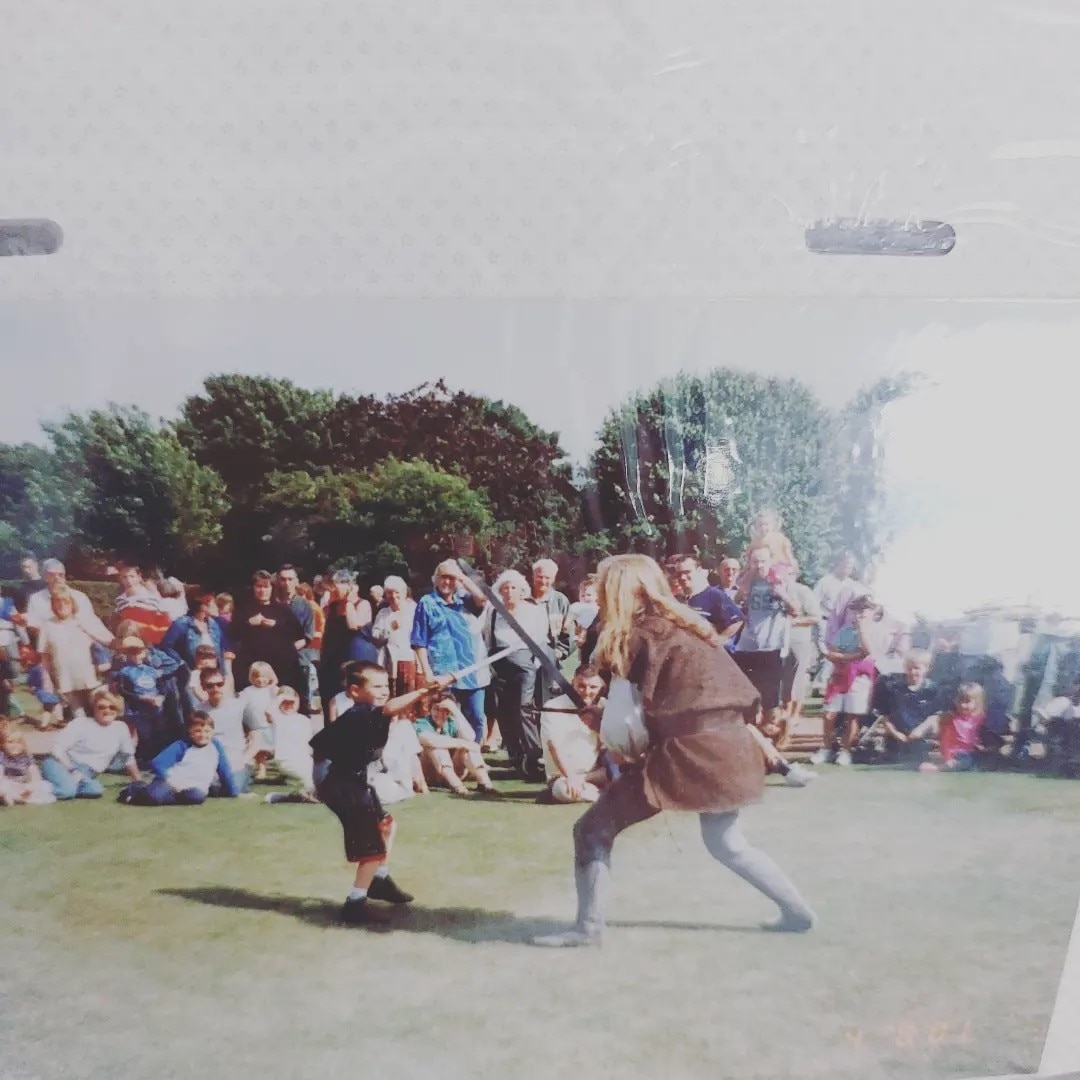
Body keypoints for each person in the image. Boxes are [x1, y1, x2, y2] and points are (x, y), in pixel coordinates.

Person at [534, 554, 815, 948]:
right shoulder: (691, 627)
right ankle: (797, 911)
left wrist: (601, 720)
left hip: (690, 752)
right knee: (727, 843)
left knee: (592, 830)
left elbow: (623, 731)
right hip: (731, 745)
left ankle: (588, 929)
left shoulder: (635, 635)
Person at [309, 662, 455, 926]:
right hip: (341, 783)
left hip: (350, 779)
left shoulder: (367, 713)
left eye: (386, 685)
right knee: (371, 847)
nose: (384, 691)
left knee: (386, 825)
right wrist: (426, 690)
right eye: (376, 686)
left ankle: (380, 879)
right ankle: (355, 903)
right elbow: (389, 709)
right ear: (354, 691)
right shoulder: (362, 712)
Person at [411, 559, 490, 742]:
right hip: (443, 671)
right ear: (436, 579)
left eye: (451, 578)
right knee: (445, 716)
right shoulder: (427, 603)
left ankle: (473, 756)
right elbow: (419, 640)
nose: (447, 582)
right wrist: (427, 672)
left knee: (476, 717)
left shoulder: (464, 600)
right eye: (443, 577)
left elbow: (482, 599)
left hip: (471, 671)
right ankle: (450, 758)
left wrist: (462, 576)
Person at [484, 568, 552, 779]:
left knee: (523, 707)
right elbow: (487, 637)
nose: (509, 592)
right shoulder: (493, 611)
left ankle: (535, 755)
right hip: (499, 665)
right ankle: (516, 757)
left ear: (522, 591)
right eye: (505, 588)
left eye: (514, 588)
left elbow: (541, 639)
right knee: (503, 710)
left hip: (525, 664)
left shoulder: (534, 611)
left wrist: (534, 663)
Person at [733, 546, 800, 743]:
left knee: (771, 698)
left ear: (771, 562)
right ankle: (751, 737)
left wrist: (781, 593)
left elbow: (796, 610)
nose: (759, 565)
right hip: (748, 644)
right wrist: (744, 588)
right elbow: (735, 600)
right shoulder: (748, 580)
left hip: (773, 645)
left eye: (763, 561)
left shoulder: (782, 580)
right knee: (747, 694)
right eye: (755, 561)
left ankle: (775, 739)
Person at [812, 595, 886, 767]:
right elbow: (832, 653)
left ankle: (845, 750)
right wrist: (851, 657)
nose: (860, 613)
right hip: (839, 675)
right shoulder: (844, 631)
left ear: (874, 611)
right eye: (857, 609)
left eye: (864, 609)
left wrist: (861, 630)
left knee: (853, 716)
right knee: (829, 713)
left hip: (860, 678)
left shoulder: (876, 630)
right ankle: (826, 748)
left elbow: (868, 651)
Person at [119, 711, 239, 805]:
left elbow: (224, 770)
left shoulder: (216, 746)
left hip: (194, 788)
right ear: (190, 732)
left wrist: (232, 791)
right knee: (154, 796)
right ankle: (134, 790)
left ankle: (164, 798)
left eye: (207, 731)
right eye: (198, 731)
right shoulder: (182, 745)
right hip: (171, 783)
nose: (203, 735)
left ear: (213, 731)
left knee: (196, 797)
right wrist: (170, 781)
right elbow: (157, 763)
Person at [40, 689, 143, 799]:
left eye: (111, 707)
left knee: (95, 790)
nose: (107, 710)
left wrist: (138, 780)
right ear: (94, 708)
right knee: (67, 792)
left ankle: (62, 784)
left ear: (117, 710)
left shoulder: (121, 728)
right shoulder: (81, 724)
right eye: (101, 707)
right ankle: (36, 788)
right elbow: (57, 749)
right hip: (60, 764)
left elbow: (127, 757)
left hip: (86, 773)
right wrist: (72, 770)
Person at [540, 664, 616, 804]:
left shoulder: (605, 706)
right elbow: (553, 746)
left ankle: (597, 790)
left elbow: (611, 745)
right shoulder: (553, 706)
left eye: (593, 687)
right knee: (564, 790)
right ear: (572, 684)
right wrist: (570, 776)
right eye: (581, 686)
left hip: (595, 774)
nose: (587, 692)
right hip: (562, 776)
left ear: (602, 688)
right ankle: (607, 796)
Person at [232, 571, 307, 708]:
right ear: (253, 588)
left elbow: (299, 634)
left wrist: (276, 625)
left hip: (282, 666)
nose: (262, 590)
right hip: (254, 666)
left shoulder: (283, 609)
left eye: (266, 587)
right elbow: (232, 633)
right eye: (258, 586)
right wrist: (249, 623)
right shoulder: (243, 609)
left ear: (272, 588)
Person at [36, 588, 115, 718]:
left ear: (72, 603)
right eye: (57, 602)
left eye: (66, 602)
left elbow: (109, 641)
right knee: (79, 717)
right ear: (53, 605)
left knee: (101, 713)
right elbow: (44, 657)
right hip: (66, 678)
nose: (62, 605)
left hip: (92, 677)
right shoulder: (47, 626)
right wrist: (47, 680)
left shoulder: (84, 620)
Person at [318, 570, 376, 725]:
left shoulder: (362, 604)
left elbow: (353, 625)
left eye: (336, 586)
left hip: (354, 658)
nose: (333, 590)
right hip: (332, 660)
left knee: (352, 701)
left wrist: (349, 602)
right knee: (330, 702)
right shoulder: (333, 606)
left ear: (348, 586)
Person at [870, 649, 941, 764]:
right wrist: (895, 733)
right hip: (895, 739)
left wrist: (920, 730)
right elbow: (884, 716)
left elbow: (934, 715)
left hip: (920, 738)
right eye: (909, 668)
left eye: (917, 668)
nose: (912, 672)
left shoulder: (932, 689)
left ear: (927, 668)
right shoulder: (892, 687)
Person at [115, 635, 173, 764]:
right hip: (138, 711)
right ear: (127, 655)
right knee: (143, 735)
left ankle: (157, 758)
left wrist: (161, 697)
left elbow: (162, 686)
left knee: (158, 732)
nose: (135, 656)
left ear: (144, 653)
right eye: (132, 653)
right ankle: (140, 759)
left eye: (139, 653)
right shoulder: (125, 672)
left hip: (155, 708)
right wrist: (140, 698)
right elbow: (122, 690)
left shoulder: (152, 671)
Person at [670, 555, 743, 649]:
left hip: (707, 657)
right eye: (679, 574)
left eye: (687, 572)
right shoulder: (676, 599)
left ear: (699, 570)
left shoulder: (714, 595)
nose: (682, 577)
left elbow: (738, 621)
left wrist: (721, 639)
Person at [263, 687, 319, 803]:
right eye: (285, 702)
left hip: (304, 759)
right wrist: (282, 697)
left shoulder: (304, 719)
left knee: (321, 779)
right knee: (312, 783)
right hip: (287, 760)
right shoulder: (278, 718)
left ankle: (292, 788)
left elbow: (310, 744)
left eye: (292, 702)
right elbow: (268, 711)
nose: (289, 705)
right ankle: (283, 797)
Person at [276, 565, 316, 715]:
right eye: (283, 579)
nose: (286, 583)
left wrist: (289, 649)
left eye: (290, 579)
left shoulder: (304, 605)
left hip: (298, 659)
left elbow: (308, 635)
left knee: (300, 702)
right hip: (275, 659)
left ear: (296, 581)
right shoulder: (273, 603)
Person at [370, 576, 418, 696]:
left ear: (404, 592)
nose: (393, 596)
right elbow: (375, 637)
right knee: (391, 696)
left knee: (409, 697)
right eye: (389, 593)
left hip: (411, 660)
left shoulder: (414, 610)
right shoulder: (383, 613)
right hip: (390, 662)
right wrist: (389, 629)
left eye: (397, 592)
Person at [113, 564, 171, 646]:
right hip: (128, 641)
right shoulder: (120, 600)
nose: (128, 580)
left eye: (132, 576)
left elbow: (162, 620)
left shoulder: (151, 597)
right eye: (125, 577)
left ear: (139, 577)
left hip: (150, 642)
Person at [0, 724, 55, 805]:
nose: (14, 746)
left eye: (18, 742)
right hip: (9, 783)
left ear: (23, 744)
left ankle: (20, 798)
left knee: (45, 786)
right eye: (10, 742)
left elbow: (34, 773)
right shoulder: (2, 755)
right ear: (3, 744)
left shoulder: (26, 756)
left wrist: (31, 786)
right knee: (3, 786)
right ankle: (12, 797)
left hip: (23, 785)